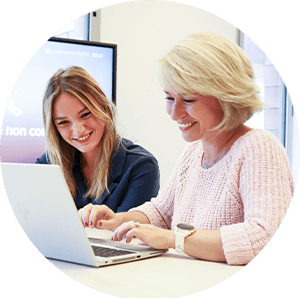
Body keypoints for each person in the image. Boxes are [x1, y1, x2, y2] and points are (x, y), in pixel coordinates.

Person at [78, 33, 294, 265]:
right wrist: (118, 219)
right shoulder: (194, 152)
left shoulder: (259, 147)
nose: (174, 113)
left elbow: (264, 236)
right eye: (170, 98)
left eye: (188, 100)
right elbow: (161, 212)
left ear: (228, 96)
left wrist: (174, 239)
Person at [36, 66, 159, 214]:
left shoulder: (141, 166)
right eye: (63, 122)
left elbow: (125, 234)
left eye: (85, 114)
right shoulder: (49, 164)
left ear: (104, 108)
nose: (78, 130)